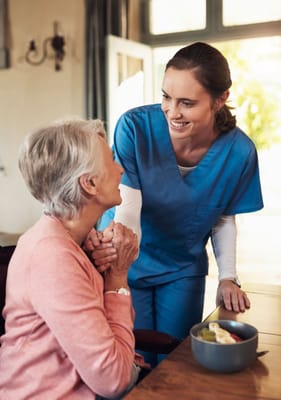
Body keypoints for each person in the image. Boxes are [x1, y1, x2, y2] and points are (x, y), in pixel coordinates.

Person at [86, 42, 264, 366]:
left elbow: (222, 217)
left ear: (220, 99)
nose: (172, 111)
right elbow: (128, 210)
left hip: (182, 268)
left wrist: (228, 276)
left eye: (187, 103)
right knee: (128, 361)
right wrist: (119, 266)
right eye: (166, 97)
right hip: (124, 259)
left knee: (177, 361)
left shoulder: (239, 152)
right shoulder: (135, 128)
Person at [0, 118, 145, 399]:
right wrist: (116, 278)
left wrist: (98, 267)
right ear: (89, 183)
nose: (121, 170)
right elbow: (113, 380)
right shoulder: (53, 258)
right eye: (112, 161)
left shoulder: (69, 240)